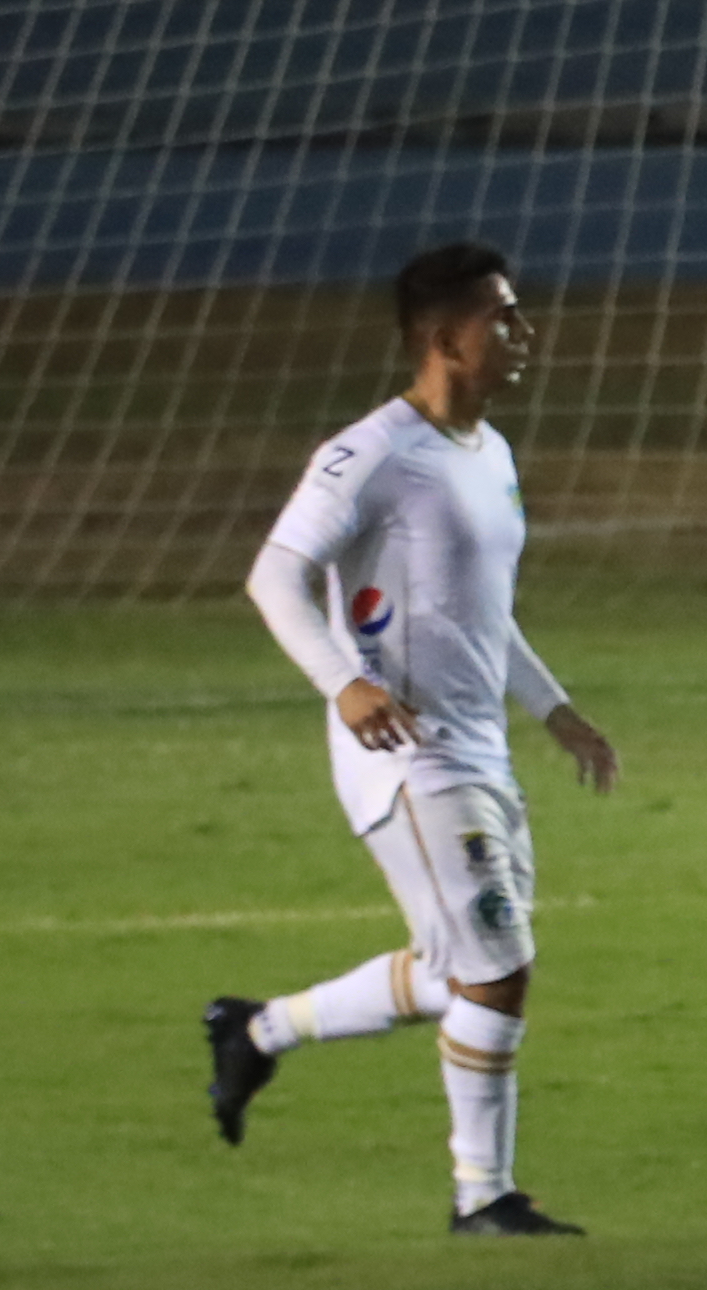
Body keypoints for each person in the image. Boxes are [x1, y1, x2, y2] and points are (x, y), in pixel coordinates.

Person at [202, 242, 619, 1236]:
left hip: (478, 748)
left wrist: (554, 709)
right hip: (408, 755)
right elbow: (273, 575)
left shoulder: (492, 454)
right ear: (445, 341)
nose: (523, 335)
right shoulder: (371, 454)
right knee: (498, 968)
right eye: (502, 319)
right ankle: (483, 1194)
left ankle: (256, 1030)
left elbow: (481, 614)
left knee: (459, 968)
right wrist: (344, 682)